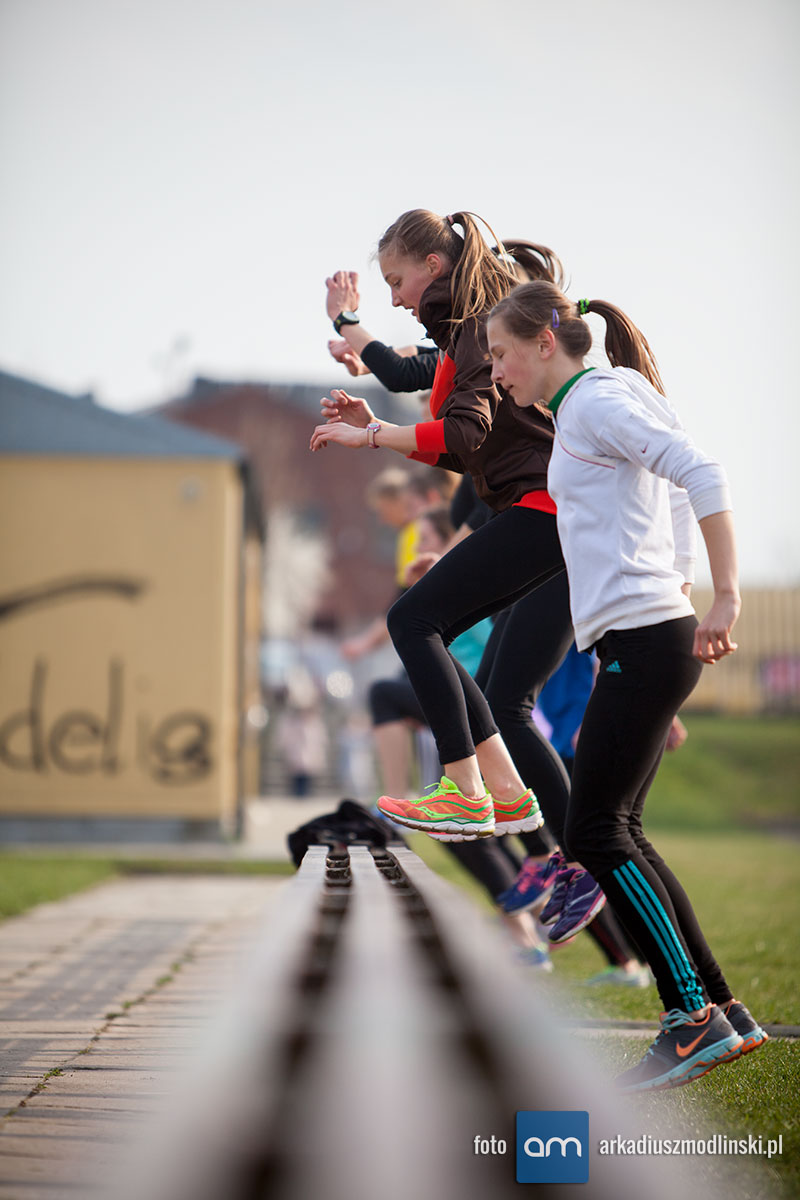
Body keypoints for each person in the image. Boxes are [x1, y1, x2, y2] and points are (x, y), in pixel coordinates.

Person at [485, 279, 767, 1091]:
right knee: (620, 830)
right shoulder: (602, 400)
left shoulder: (595, 402)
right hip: (649, 633)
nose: (496, 372)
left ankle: (690, 1019)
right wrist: (678, 586)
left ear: (545, 343)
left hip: (645, 638)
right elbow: (670, 493)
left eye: (501, 354)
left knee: (596, 831)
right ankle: (720, 1007)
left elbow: (701, 472)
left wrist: (724, 595)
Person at [311, 208, 606, 944]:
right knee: (442, 640)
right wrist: (372, 412)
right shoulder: (461, 332)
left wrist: (370, 431)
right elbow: (452, 441)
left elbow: (466, 430)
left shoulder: (476, 327)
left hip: (543, 510)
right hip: (540, 512)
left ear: (433, 267)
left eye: (397, 281)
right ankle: (502, 790)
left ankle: (473, 792)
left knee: (413, 620)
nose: (395, 297)